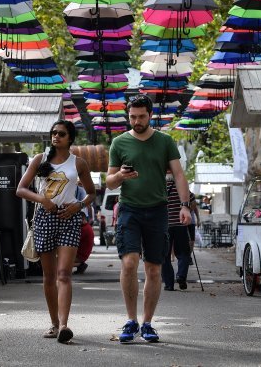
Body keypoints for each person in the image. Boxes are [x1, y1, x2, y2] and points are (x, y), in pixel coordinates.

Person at [105, 95, 190, 344]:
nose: (137, 121)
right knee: (129, 263)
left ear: (150, 115)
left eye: (141, 116)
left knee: (154, 269)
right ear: (128, 116)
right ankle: (131, 321)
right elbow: (109, 182)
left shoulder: (164, 141)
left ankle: (148, 323)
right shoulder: (119, 143)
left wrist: (185, 206)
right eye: (132, 116)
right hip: (130, 209)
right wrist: (120, 175)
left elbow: (178, 174)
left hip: (158, 211)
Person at [16, 121, 95, 344]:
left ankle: (64, 325)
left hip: (69, 218)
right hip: (44, 218)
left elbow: (90, 193)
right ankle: (53, 323)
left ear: (70, 138)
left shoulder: (78, 163)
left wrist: (78, 206)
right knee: (49, 276)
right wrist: (42, 200)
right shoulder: (40, 159)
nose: (56, 136)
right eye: (53, 133)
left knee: (64, 274)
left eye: (61, 133)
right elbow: (20, 189)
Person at [161, 173, 191, 291]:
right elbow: (191, 201)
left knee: (165, 256)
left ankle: (169, 284)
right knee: (184, 253)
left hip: (165, 226)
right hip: (180, 224)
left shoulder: (160, 186)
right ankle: (181, 275)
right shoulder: (181, 185)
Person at [73, 184, 94, 274]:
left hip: (81, 256)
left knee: (60, 261)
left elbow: (74, 241)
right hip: (82, 254)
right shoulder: (86, 227)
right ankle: (79, 263)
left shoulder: (84, 229)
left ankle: (80, 264)